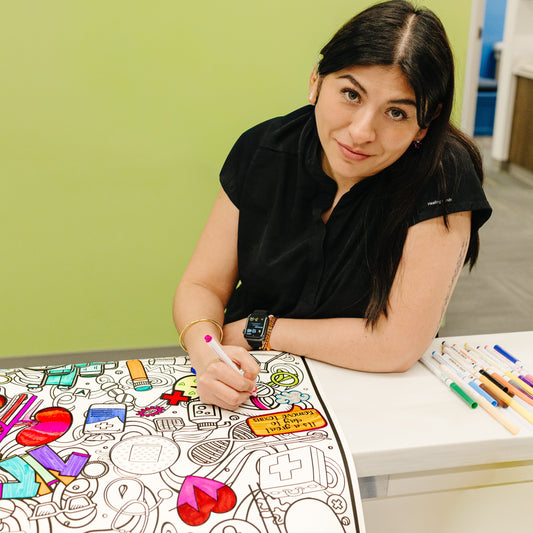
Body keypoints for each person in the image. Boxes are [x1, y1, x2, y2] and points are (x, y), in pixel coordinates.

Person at [173, 0, 492, 410]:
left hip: (368, 389)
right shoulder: (264, 148)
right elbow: (202, 285)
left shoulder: (443, 173)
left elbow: (397, 345)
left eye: (396, 112)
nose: (361, 132)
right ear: (315, 83)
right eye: (351, 94)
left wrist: (259, 331)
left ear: (424, 126)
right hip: (246, 379)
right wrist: (206, 354)